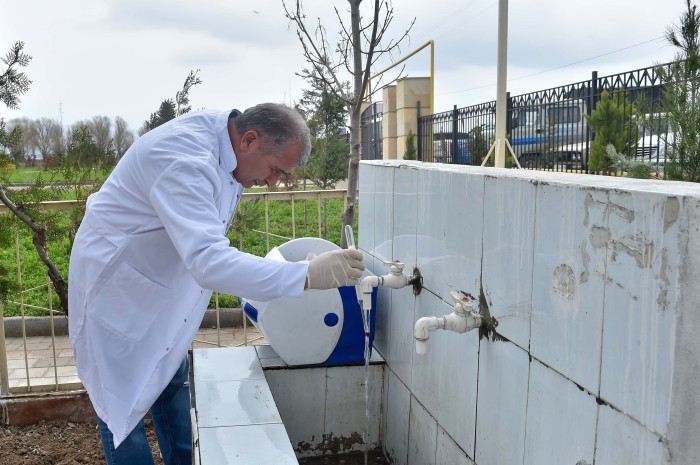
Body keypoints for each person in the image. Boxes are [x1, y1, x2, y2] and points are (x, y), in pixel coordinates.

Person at [67, 103, 365, 465]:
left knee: (170, 383)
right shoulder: (184, 160)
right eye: (274, 170)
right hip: (116, 290)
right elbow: (209, 261)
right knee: (120, 412)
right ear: (250, 140)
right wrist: (305, 275)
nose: (272, 183)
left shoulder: (229, 146)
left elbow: (206, 250)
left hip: (160, 285)